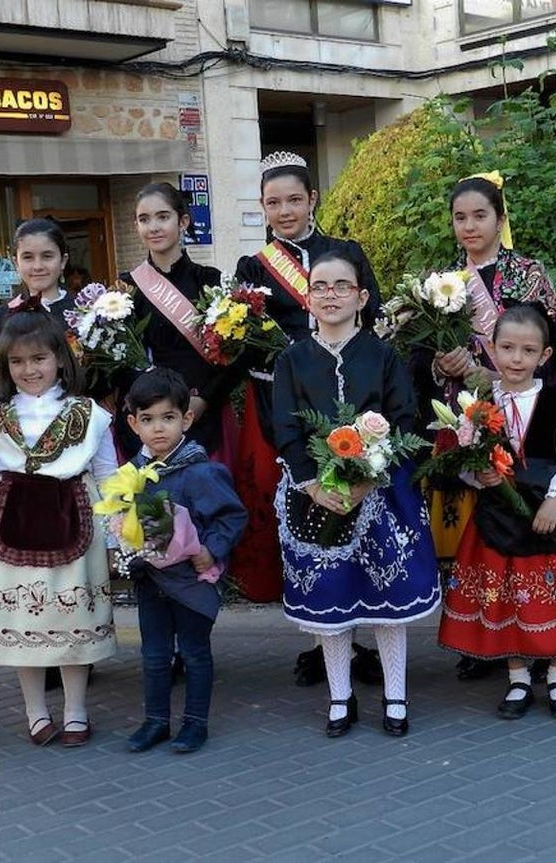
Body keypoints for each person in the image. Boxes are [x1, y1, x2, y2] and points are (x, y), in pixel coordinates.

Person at [272, 251, 441, 737]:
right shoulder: (291, 359)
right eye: (320, 286)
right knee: (333, 598)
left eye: (342, 286)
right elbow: (284, 426)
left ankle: (395, 695)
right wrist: (312, 484)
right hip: (314, 495)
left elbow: (404, 418)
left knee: (387, 599)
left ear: (362, 296)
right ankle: (340, 697)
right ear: (307, 298)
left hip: (382, 493)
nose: (331, 295)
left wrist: (370, 477)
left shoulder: (383, 355)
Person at [233, 151, 384, 688]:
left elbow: (374, 316)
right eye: (273, 203)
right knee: (306, 522)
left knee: (357, 520)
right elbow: (245, 339)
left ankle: (358, 632)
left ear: (312, 199)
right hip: (285, 405)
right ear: (262, 207)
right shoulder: (254, 268)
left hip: (348, 403)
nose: (285, 211)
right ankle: (324, 638)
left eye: (294, 199)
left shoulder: (345, 253)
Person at [420, 173, 556, 682]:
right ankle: (479, 637)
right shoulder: (442, 282)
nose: (469, 226)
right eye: (460, 217)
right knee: (471, 540)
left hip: (524, 421)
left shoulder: (527, 275)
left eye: (480, 215)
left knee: (523, 526)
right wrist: (441, 365)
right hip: (464, 423)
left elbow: (555, 351)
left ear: (500, 219)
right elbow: (419, 358)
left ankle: (540, 635)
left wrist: (494, 375)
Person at [0, 311, 117, 747]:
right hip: (7, 518)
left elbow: (109, 476)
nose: (29, 370)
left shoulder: (91, 414)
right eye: (17, 362)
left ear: (60, 358)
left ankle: (75, 710)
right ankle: (35, 711)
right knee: (22, 621)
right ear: (6, 367)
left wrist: (117, 534)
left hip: (74, 517)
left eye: (39, 358)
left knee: (71, 617)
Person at [438, 305, 556, 718]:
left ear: (545, 355)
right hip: (499, 520)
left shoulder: (554, 402)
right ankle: (517, 678)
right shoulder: (478, 404)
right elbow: (462, 459)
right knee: (509, 598)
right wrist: (478, 475)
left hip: (548, 519)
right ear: (491, 349)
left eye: (528, 350)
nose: (516, 359)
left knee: (553, 596)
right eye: (507, 348)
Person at [122, 368, 248, 755]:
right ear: (134, 424)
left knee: (194, 653)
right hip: (151, 580)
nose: (158, 428)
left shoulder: (201, 472)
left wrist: (211, 548)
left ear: (186, 419)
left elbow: (232, 516)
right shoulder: (133, 474)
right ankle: (156, 721)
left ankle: (195, 723)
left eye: (168, 417)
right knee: (154, 655)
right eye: (147, 419)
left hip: (192, 581)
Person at [116, 182, 244, 461]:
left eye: (163, 217)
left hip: (202, 411)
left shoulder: (210, 281)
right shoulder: (126, 289)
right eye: (144, 219)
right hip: (150, 419)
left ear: (183, 221)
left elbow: (235, 355)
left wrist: (203, 399)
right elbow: (121, 361)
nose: (154, 227)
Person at [0, 218, 77, 340]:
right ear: (16, 263)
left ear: (63, 261)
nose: (38, 266)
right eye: (28, 257)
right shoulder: (0, 317)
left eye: (47, 256)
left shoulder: (85, 313)